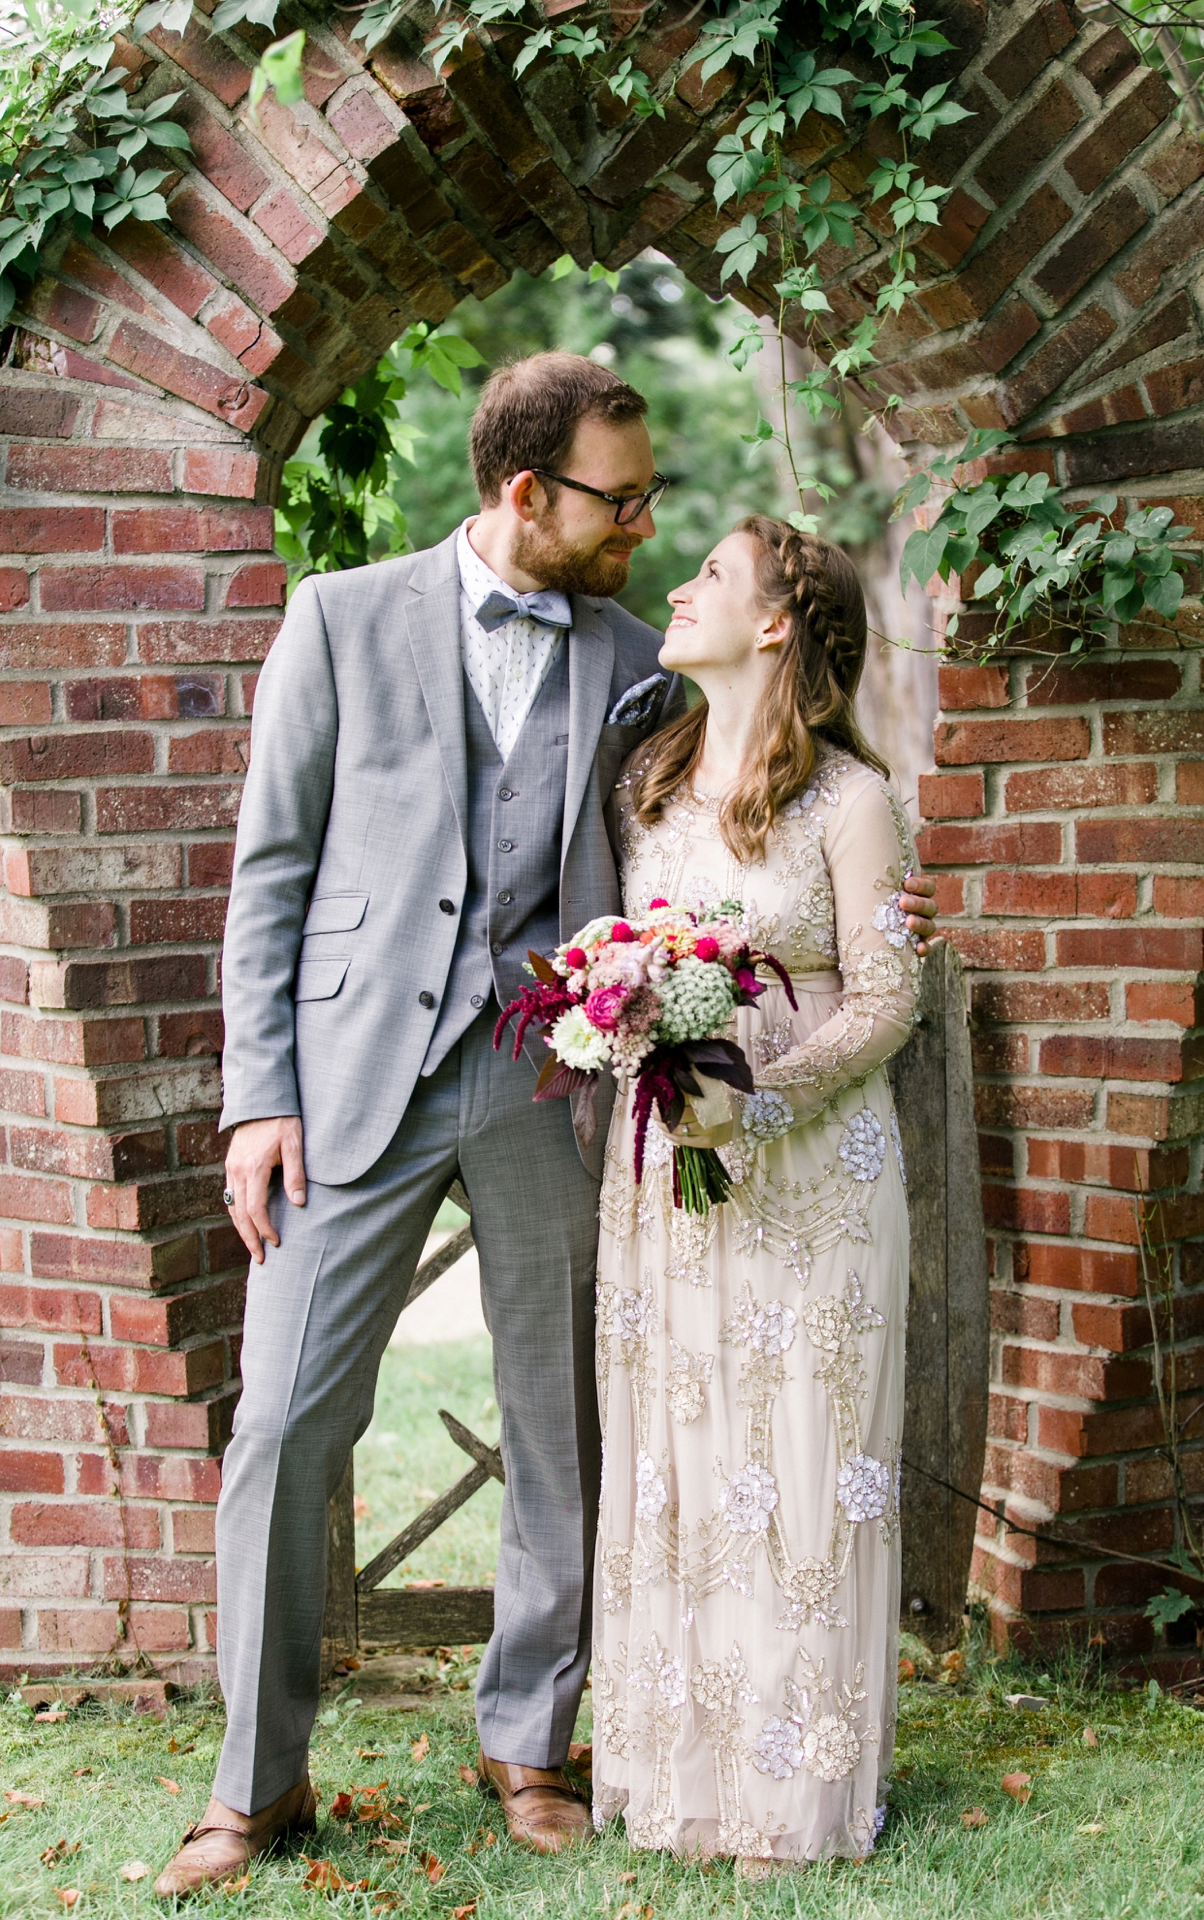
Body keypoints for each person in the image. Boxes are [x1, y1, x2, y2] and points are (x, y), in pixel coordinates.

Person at [154, 353, 938, 1898]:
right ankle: (255, 1785)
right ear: (529, 491)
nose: (644, 524)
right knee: (284, 1422)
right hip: (352, 1078)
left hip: (552, 1085)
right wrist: (259, 1096)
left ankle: (530, 1742)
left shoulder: (642, 660)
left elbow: (725, 819)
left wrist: (834, 944)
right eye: (620, 498)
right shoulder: (341, 618)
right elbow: (274, 870)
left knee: (559, 1423)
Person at [592, 516, 919, 1872]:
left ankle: (799, 1785)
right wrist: (618, 1031)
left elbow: (893, 993)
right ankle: (685, 1769)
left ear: (778, 622)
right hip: (668, 1178)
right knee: (683, 1462)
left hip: (818, 1178)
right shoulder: (648, 788)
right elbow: (623, 965)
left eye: (711, 575)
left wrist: (766, 1098)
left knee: (796, 1466)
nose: (680, 588)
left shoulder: (850, 803)